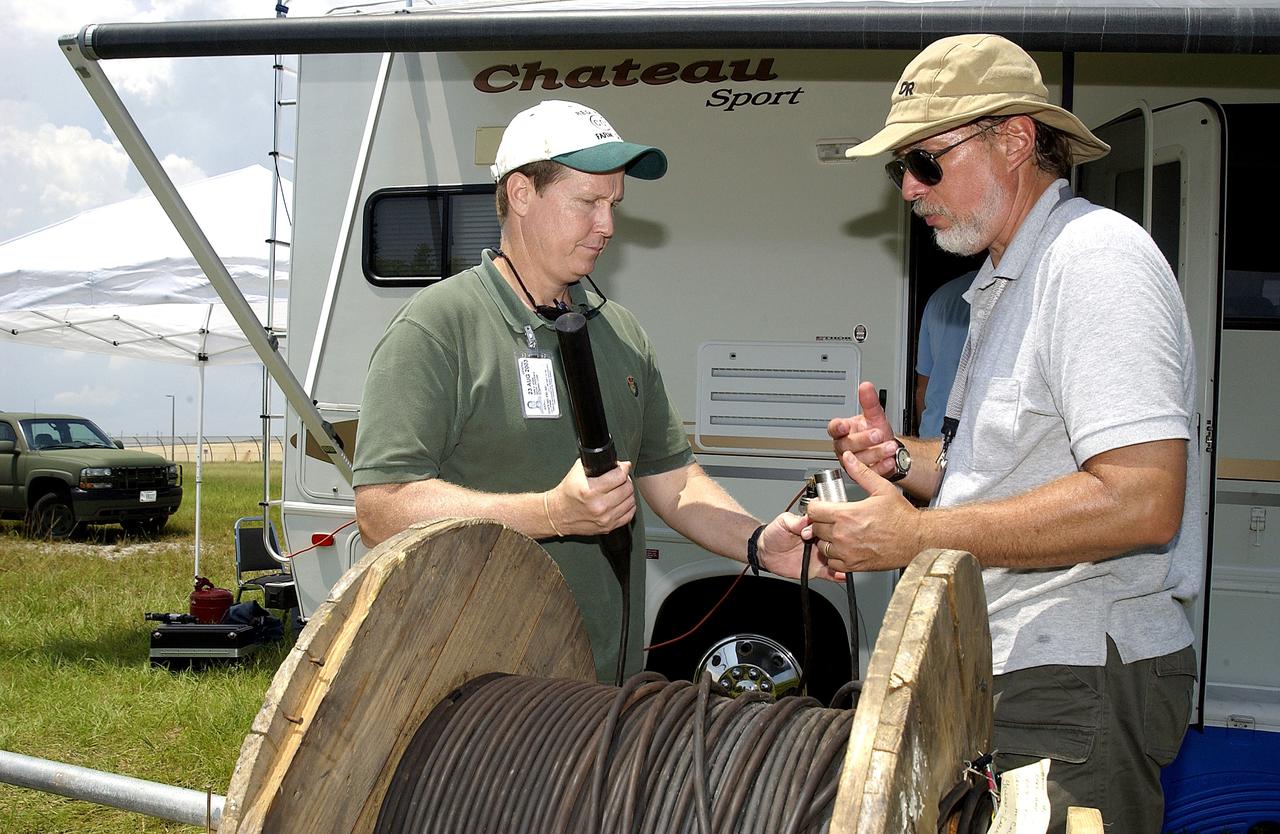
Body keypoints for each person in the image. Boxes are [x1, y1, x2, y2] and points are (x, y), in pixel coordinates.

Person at [806, 35, 1201, 833]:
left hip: (1076, 678)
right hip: (1019, 668)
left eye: (925, 161)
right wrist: (901, 460)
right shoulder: (1000, 281)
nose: (911, 191)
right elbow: (1007, 468)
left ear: (1015, 139)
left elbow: (1143, 497)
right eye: (900, 171)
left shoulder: (1093, 261)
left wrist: (915, 535)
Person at [352, 99, 833, 682]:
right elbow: (382, 510)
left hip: (600, 689)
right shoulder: (438, 328)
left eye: (613, 205)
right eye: (587, 203)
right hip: (473, 693)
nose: (607, 226)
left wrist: (758, 544)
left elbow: (673, 481)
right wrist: (550, 513)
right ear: (522, 194)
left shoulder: (620, 332)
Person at [914, 271, 974, 437]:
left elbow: (922, 388)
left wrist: (925, 439)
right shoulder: (1007, 294)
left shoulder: (938, 298)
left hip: (935, 433)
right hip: (976, 444)